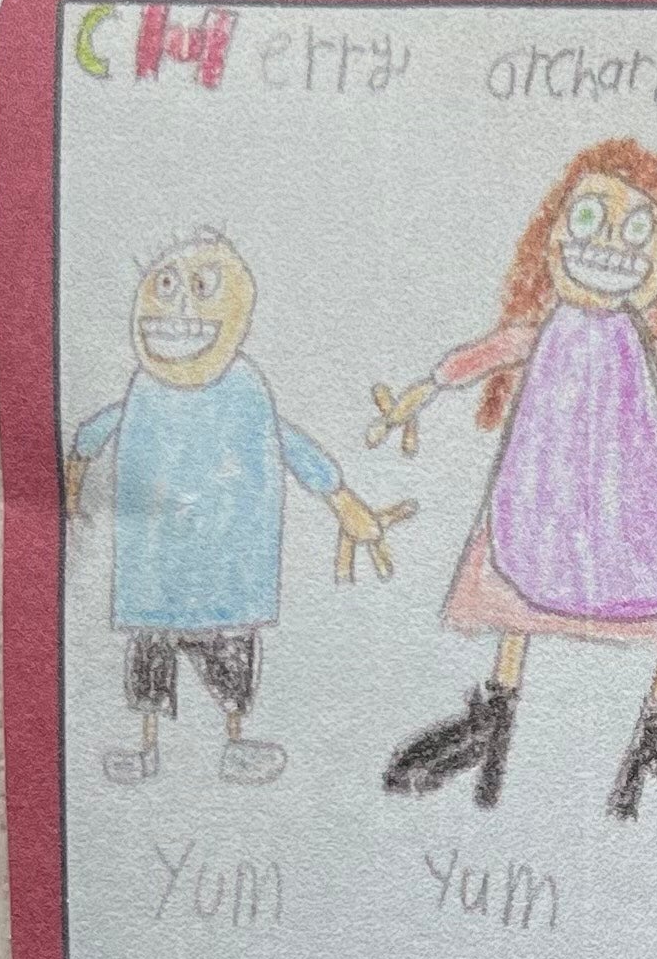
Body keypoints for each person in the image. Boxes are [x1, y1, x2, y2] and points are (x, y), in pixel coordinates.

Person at [370, 141, 657, 822]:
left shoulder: (638, 336)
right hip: (546, 477)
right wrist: (421, 393)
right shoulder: (549, 328)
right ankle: (492, 715)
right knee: (517, 562)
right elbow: (490, 351)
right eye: (587, 220)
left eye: (636, 230)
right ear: (551, 234)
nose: (608, 244)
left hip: (636, 478)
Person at [66, 234, 406, 784]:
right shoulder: (143, 390)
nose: (180, 308)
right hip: (155, 570)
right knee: (150, 652)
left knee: (230, 655)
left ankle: (235, 739)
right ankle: (146, 747)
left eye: (201, 288)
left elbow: (290, 443)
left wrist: (342, 500)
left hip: (228, 570)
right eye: (166, 286)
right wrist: (70, 489)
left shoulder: (246, 390)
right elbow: (89, 436)